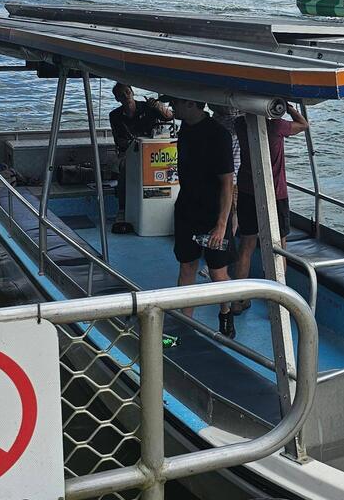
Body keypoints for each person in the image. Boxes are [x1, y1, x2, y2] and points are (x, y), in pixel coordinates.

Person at [168, 97, 237, 336]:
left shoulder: (218, 135)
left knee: (218, 272)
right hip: (188, 209)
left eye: (175, 103)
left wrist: (221, 224)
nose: (172, 108)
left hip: (213, 212)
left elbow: (227, 183)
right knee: (186, 266)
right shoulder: (185, 128)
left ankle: (226, 312)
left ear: (190, 104)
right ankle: (184, 323)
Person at [231, 105, 308, 314]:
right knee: (279, 247)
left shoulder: (241, 124)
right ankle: (278, 300)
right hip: (275, 193)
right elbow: (304, 124)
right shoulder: (276, 127)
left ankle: (238, 299)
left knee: (246, 245)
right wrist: (291, 108)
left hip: (248, 191)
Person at [108, 83, 172, 233]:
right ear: (117, 99)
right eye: (121, 95)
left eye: (127, 92)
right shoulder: (115, 115)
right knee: (124, 166)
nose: (126, 96)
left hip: (154, 151)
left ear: (132, 92)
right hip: (130, 151)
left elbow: (169, 117)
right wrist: (134, 143)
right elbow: (119, 141)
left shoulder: (148, 107)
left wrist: (157, 106)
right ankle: (123, 209)